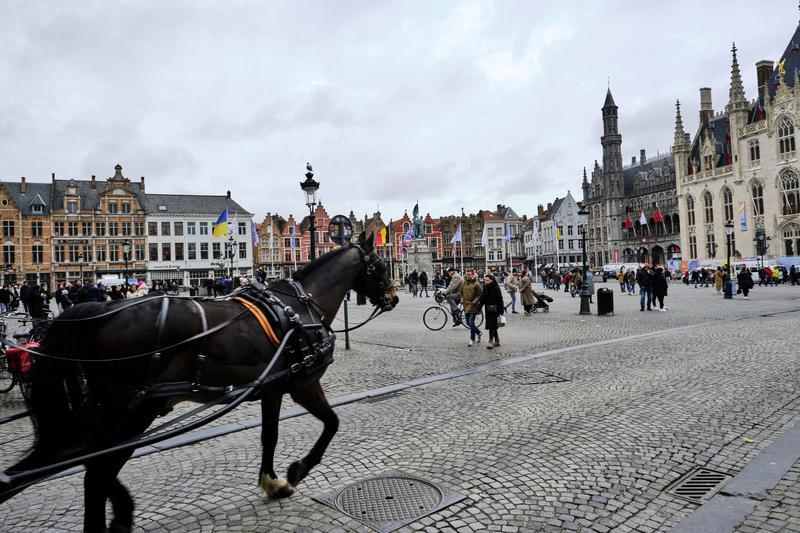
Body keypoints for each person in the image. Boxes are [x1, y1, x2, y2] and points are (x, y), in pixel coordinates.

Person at [481, 273, 504, 349]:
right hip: (488, 309)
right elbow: (483, 299)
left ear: (492, 280)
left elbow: (500, 299)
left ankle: (490, 341)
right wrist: (478, 308)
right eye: (485, 280)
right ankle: (497, 341)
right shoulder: (485, 287)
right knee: (493, 326)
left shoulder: (496, 288)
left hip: (495, 309)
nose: (486, 282)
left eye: (487, 280)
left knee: (491, 326)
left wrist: (501, 310)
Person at [461, 269, 483, 347]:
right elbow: (461, 293)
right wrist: (461, 299)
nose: (468, 276)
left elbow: (480, 294)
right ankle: (478, 332)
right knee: (467, 323)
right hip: (466, 305)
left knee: (471, 322)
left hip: (473, 306)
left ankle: (472, 339)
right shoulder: (463, 283)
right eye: (467, 275)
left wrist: (475, 301)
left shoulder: (476, 284)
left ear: (473, 275)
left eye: (469, 274)